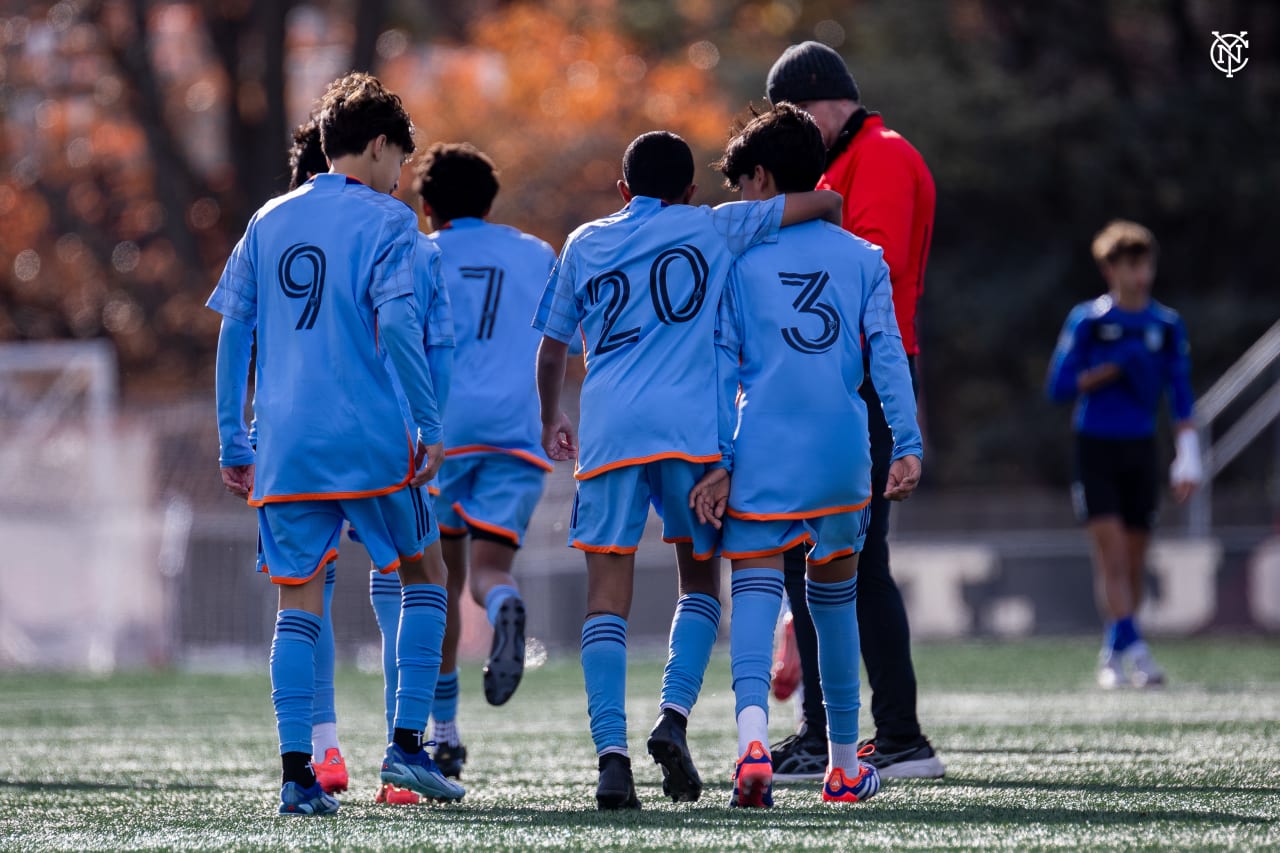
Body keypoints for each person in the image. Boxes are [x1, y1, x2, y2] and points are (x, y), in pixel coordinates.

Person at [534, 130, 842, 809]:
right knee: (700, 582)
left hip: (610, 432)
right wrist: (829, 214)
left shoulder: (585, 240)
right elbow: (820, 201)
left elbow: (552, 346)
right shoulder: (715, 226)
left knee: (604, 597)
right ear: (691, 191)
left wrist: (552, 413)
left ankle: (611, 759)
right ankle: (672, 714)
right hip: (691, 434)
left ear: (623, 190)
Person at [209, 72, 463, 815]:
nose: (401, 179)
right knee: (426, 573)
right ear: (380, 146)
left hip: (284, 445)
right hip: (371, 439)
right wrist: (429, 424)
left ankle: (298, 776)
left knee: (298, 605)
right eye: (400, 163)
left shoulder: (267, 219)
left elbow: (235, 330)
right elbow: (396, 327)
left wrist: (234, 434)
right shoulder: (389, 224)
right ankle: (407, 746)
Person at [696, 102, 922, 808]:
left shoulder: (736, 256)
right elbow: (888, 358)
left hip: (762, 446)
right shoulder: (863, 257)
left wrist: (715, 458)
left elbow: (719, 363)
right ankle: (845, 765)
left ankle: (752, 746)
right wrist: (908, 443)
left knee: (758, 598)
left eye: (740, 183)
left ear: (762, 179)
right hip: (842, 455)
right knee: (834, 605)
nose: (735, 197)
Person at [763, 40, 944, 781]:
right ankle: (851, 732)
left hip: (863, 376)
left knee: (850, 560)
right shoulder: (853, 158)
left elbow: (874, 259)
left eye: (796, 114)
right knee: (833, 558)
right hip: (849, 376)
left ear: (824, 100)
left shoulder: (885, 154)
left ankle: (891, 736)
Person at [410, 141, 558, 780]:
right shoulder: (535, 253)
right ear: (491, 200)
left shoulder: (420, 252)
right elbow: (559, 340)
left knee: (437, 585)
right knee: (489, 571)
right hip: (516, 430)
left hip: (440, 435)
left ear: (427, 204)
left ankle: (443, 733)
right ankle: (503, 610)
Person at [1046, 220, 1200, 688]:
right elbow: (1059, 386)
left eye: (1146, 263)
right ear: (1110, 268)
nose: (1141, 273)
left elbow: (1180, 392)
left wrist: (1186, 452)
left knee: (1134, 561)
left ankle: (1115, 648)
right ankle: (1138, 649)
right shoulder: (1089, 321)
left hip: (1140, 447)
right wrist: (1110, 369)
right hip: (1096, 446)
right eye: (1131, 264)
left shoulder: (1166, 325)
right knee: (1110, 556)